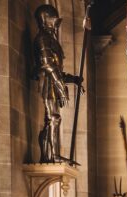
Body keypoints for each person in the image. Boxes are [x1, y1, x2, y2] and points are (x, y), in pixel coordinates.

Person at [32, 4, 81, 163]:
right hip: (47, 82)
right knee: (54, 118)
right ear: (45, 20)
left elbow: (57, 69)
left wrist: (73, 79)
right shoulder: (42, 39)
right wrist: (61, 87)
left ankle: (49, 154)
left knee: (52, 119)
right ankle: (52, 155)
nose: (56, 25)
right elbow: (47, 65)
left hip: (52, 81)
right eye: (53, 21)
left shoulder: (50, 40)